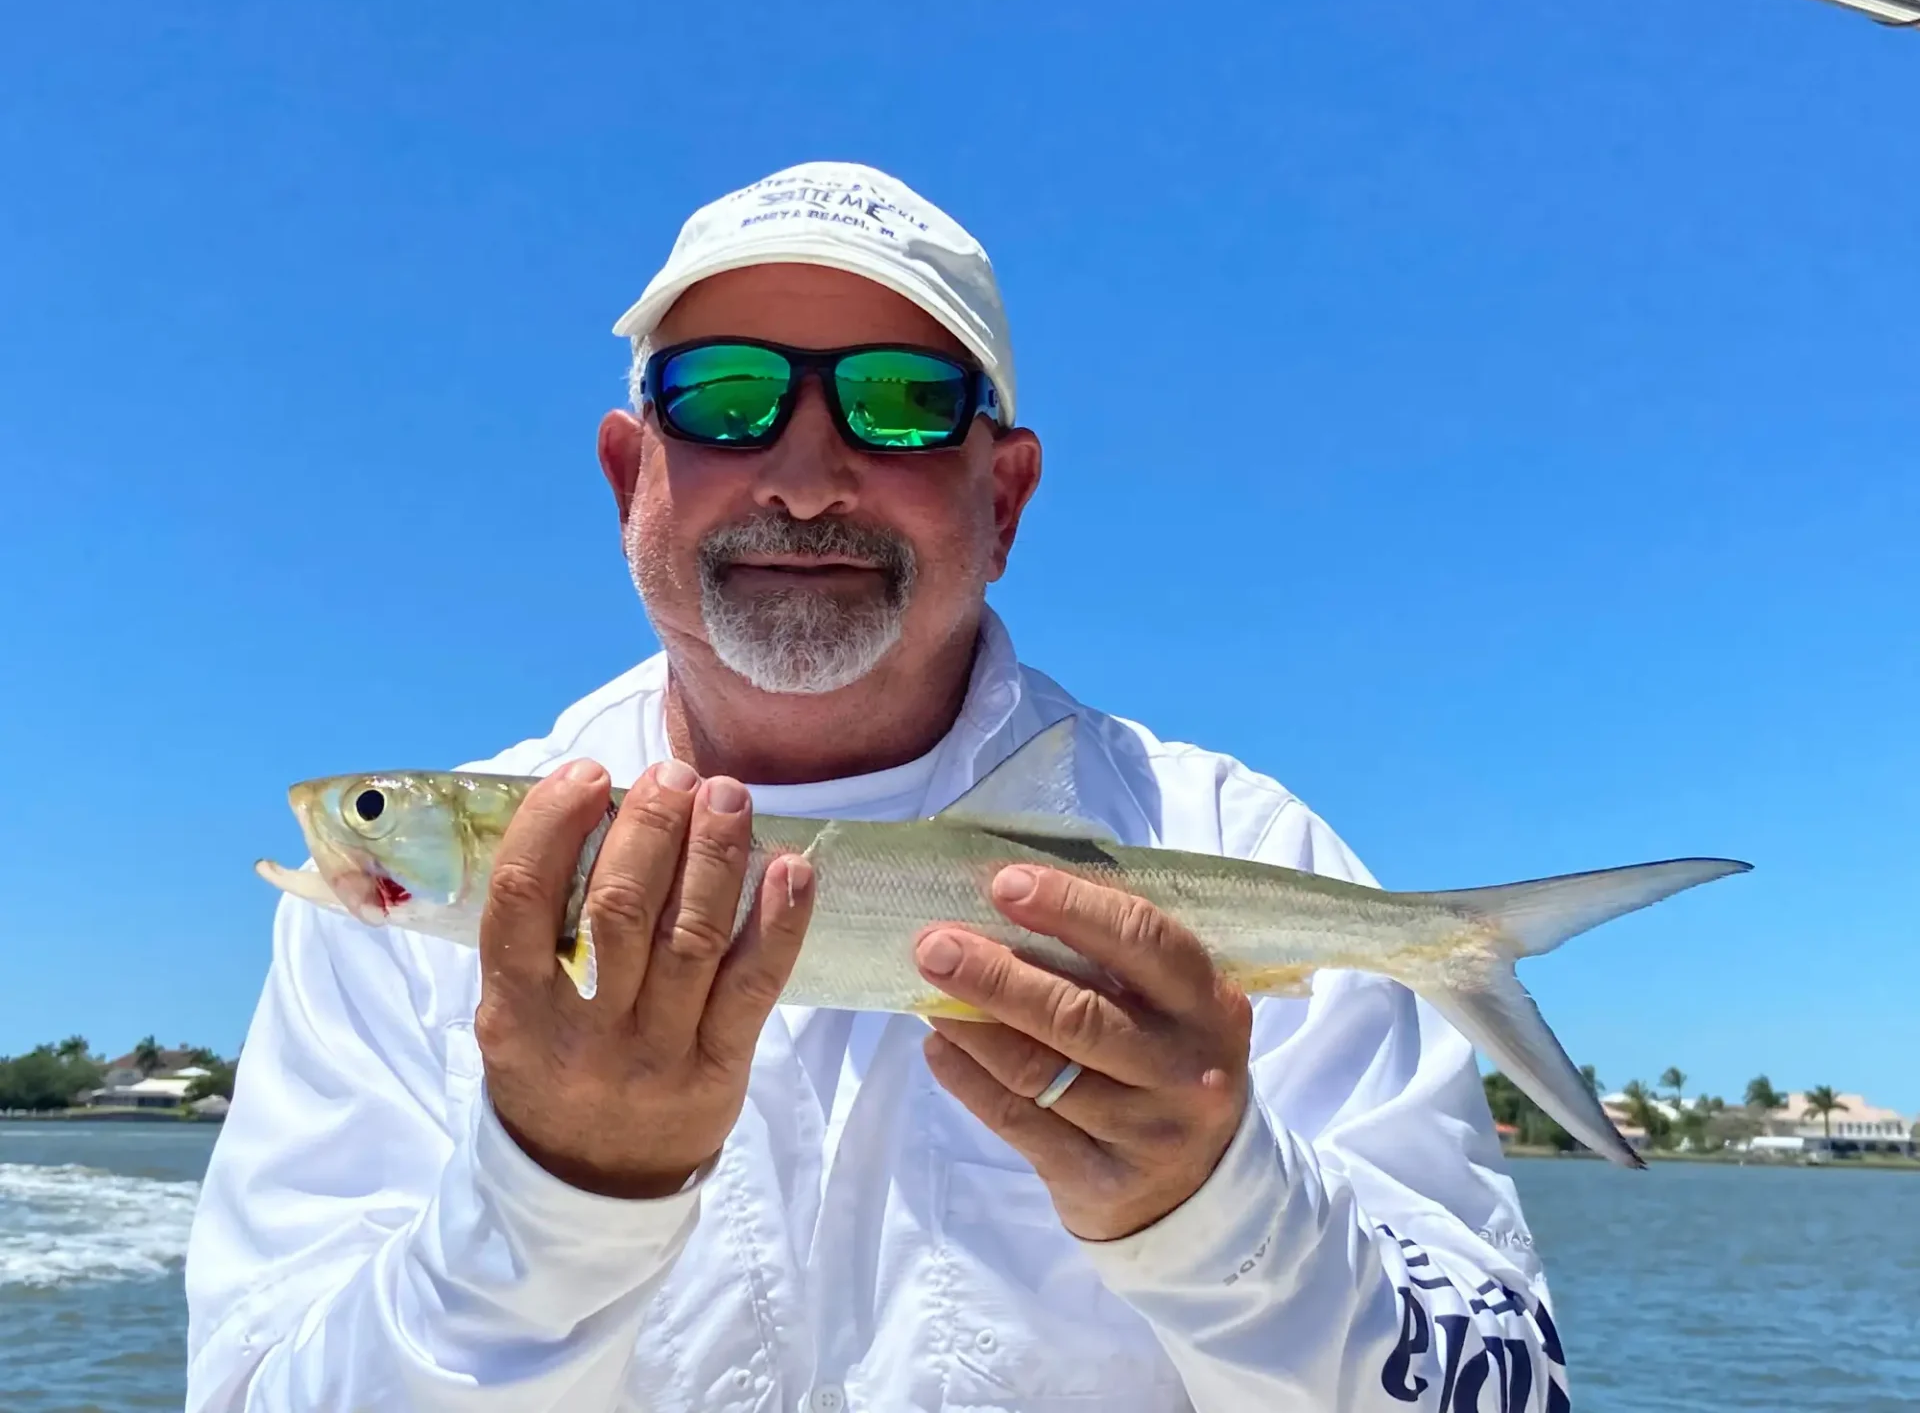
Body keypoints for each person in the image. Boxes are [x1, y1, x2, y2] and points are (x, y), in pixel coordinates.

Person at [186, 161, 1573, 1412]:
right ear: (630, 478)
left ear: (1007, 497)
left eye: (902, 405)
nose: (803, 474)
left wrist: (1220, 1210)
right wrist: (556, 1194)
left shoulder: (1239, 847)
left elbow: (1509, 1388)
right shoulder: (389, 936)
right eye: (721, 399)